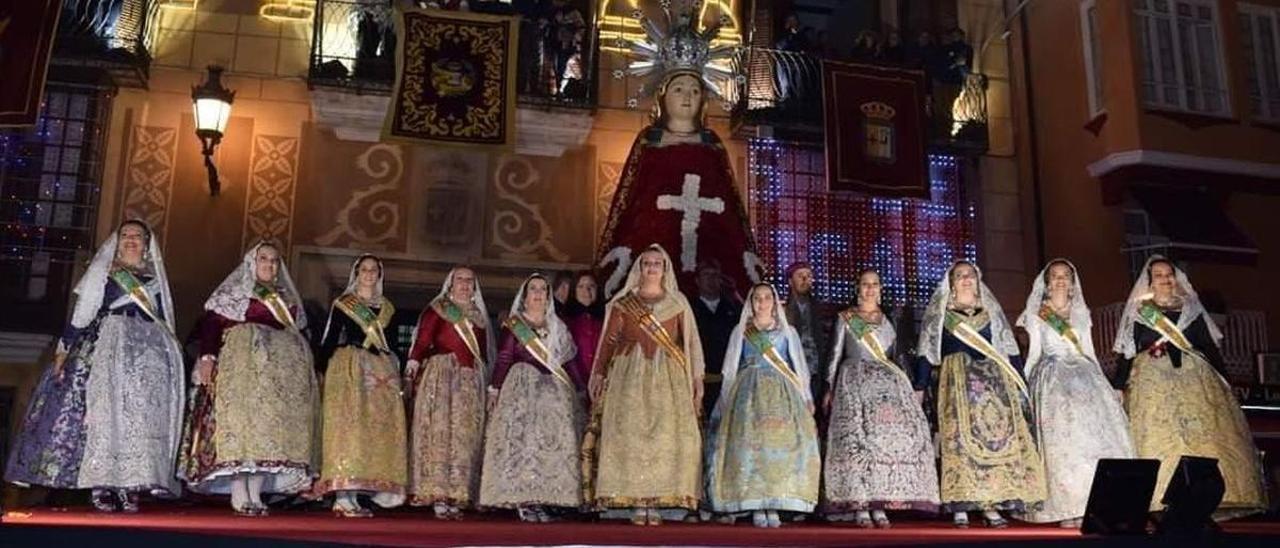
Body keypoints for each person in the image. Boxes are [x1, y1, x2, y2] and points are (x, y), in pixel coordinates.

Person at [5, 220, 184, 512]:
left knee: (138, 417)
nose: (130, 240)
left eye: (136, 236)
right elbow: (83, 311)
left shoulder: (155, 280)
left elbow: (163, 319)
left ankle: (131, 483)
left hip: (147, 353)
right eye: (124, 235)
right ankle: (102, 482)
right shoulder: (104, 271)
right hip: (107, 345)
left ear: (147, 245)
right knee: (104, 413)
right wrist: (64, 347)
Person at [1113, 256, 1266, 518]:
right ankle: (1161, 498)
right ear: (1150, 282)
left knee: (1202, 435)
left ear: (1176, 278)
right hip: (1153, 383)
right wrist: (1117, 385)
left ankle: (1206, 495)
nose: (1165, 279)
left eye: (1168, 274)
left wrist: (1224, 379)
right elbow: (1127, 353)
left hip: (1195, 378)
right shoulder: (1140, 313)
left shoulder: (1191, 310)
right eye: (1158, 275)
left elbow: (1208, 347)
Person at [181, 242, 320, 516]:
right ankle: (238, 490)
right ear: (251, 263)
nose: (269, 264)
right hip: (241, 368)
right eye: (263, 258)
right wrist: (208, 357)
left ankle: (255, 493)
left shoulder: (286, 299)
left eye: (274, 260)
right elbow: (210, 324)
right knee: (242, 427)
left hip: (277, 376)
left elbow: (297, 332)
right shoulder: (235, 292)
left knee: (266, 432)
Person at [915, 261, 1045, 528]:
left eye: (970, 275)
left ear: (978, 281)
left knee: (996, 442)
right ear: (951, 283)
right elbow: (927, 351)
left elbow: (1008, 348)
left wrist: (1020, 381)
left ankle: (991, 504)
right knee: (960, 443)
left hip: (992, 383)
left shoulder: (990, 312)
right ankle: (961, 504)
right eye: (960, 276)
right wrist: (919, 385)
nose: (965, 280)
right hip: (956, 381)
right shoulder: (941, 313)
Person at [583, 244, 705, 526]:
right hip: (628, 375)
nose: (651, 268)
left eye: (657, 264)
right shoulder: (624, 303)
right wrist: (599, 373)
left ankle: (663, 501)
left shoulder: (679, 303)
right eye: (647, 263)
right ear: (639, 268)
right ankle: (633, 501)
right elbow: (609, 342)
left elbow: (692, 344)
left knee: (667, 437)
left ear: (665, 269)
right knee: (629, 434)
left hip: (669, 379)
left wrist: (697, 378)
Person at [1019, 260, 1134, 527]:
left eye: (1066, 276)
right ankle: (1067, 508)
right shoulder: (1038, 314)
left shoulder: (1082, 312)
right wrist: (1023, 384)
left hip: (1085, 376)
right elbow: (1035, 352)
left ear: (1073, 282)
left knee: (1092, 439)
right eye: (1055, 276)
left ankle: (1095, 505)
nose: (1060, 280)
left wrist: (1106, 384)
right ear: (1047, 283)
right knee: (1061, 444)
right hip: (1052, 379)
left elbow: (1089, 350)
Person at [823, 270, 939, 528]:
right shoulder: (846, 318)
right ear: (857, 288)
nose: (870, 289)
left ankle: (880, 503)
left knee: (882, 443)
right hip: (854, 383)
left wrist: (910, 387)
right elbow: (833, 355)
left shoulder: (888, 320)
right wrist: (828, 387)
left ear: (881, 289)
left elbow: (898, 357)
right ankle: (860, 504)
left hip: (887, 386)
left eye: (875, 284)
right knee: (859, 443)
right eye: (865, 284)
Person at [704, 283, 819, 527]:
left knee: (779, 446)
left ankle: (775, 503)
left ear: (775, 303)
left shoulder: (788, 333)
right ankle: (755, 503)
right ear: (751, 302)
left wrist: (807, 397)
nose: (762, 302)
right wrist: (725, 401)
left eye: (767, 298)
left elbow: (800, 368)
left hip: (783, 393)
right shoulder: (741, 331)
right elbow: (730, 367)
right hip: (748, 393)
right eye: (757, 298)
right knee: (752, 447)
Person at [480, 274, 584, 521]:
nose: (538, 294)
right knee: (524, 442)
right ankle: (523, 498)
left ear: (548, 296)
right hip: (522, 388)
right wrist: (494, 389)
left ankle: (547, 497)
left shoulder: (557, 325)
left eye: (542, 290)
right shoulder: (516, 325)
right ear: (525, 296)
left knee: (553, 440)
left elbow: (569, 361)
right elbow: (504, 358)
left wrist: (581, 389)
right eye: (533, 289)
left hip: (554, 392)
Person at [313, 254, 407, 517]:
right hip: (349, 369)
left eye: (373, 270)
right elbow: (329, 338)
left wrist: (402, 370)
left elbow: (394, 345)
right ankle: (343, 495)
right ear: (356, 273)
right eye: (364, 269)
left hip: (380, 373)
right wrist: (319, 369)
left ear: (379, 274)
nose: (369, 274)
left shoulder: (388, 308)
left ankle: (365, 491)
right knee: (349, 429)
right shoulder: (344, 304)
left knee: (373, 432)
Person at [405, 266, 495, 519]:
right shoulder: (439, 308)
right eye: (460, 280)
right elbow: (423, 340)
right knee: (440, 433)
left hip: (471, 380)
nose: (465, 284)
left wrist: (489, 384)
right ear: (451, 283)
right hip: (442, 376)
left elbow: (485, 351)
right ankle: (438, 494)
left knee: (464, 436)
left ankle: (458, 493)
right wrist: (412, 363)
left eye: (470, 280)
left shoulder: (478, 315)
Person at [690, 260, 741, 418]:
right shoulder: (689, 309)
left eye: (715, 275)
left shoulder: (734, 308)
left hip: (728, 383)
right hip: (698, 383)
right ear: (697, 280)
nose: (711, 279)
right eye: (706, 275)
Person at [784, 262, 831, 407]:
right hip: (791, 370)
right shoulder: (782, 310)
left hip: (816, 370)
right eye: (800, 276)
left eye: (808, 276)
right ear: (791, 281)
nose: (805, 279)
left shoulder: (821, 309)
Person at [563, 270, 604, 392]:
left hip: (601, 385)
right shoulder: (564, 321)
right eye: (581, 286)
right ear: (573, 291)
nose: (586, 291)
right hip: (572, 385)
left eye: (591, 286)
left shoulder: (607, 318)